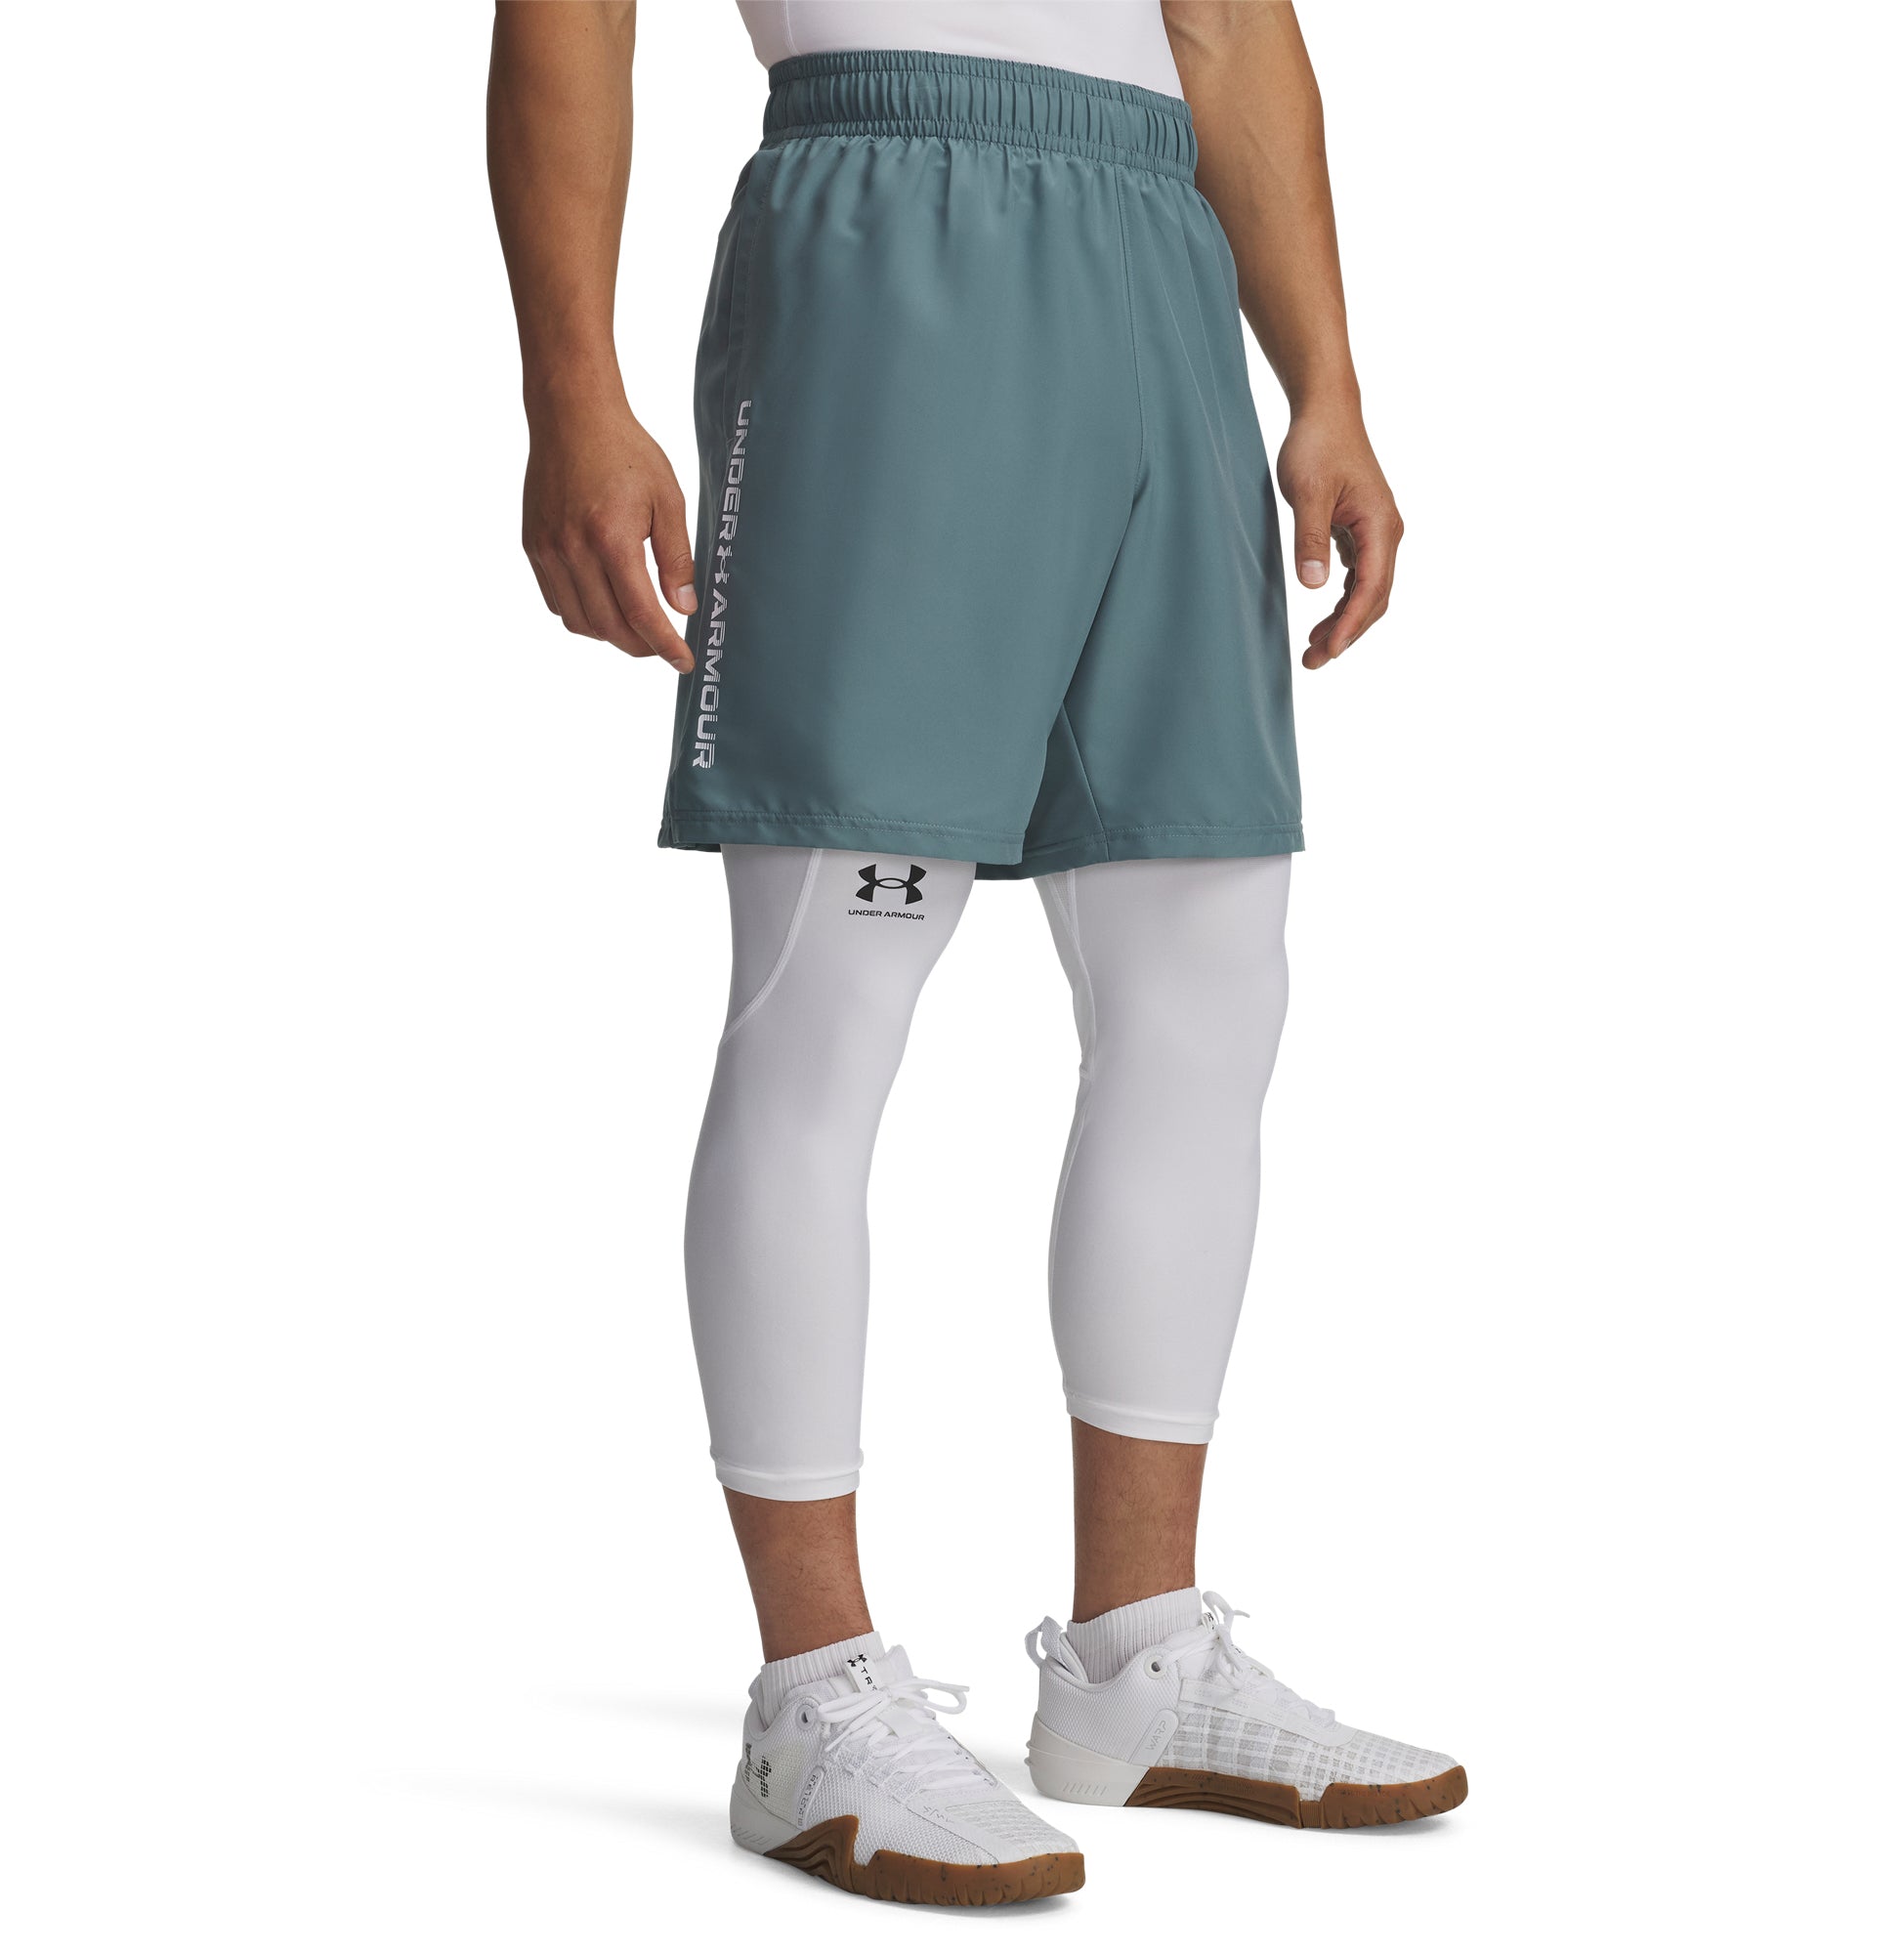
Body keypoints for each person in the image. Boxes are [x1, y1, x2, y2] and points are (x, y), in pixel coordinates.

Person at [488, 0, 1458, 1905]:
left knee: (1207, 972)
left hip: (1159, 258)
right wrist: (570, 390)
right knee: (832, 987)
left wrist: (1325, 379)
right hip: (889, 225)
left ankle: (1139, 1660)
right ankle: (813, 1696)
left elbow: (1226, 24)